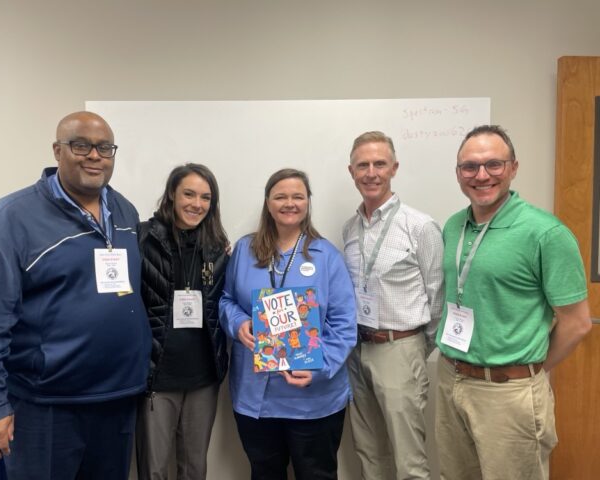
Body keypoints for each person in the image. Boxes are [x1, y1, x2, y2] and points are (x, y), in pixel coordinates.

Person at [0, 111, 151, 480]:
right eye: (81, 145)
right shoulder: (13, 217)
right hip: (45, 407)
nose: (94, 156)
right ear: (57, 151)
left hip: (116, 399)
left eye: (105, 147)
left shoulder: (124, 211)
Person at [436, 125, 591, 480]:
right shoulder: (454, 226)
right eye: (470, 167)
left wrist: (528, 371)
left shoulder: (545, 233)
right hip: (452, 379)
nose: (481, 175)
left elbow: (577, 322)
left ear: (514, 168)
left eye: (494, 164)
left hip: (509, 393)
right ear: (459, 173)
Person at [219, 168, 356, 480]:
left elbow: (344, 325)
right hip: (256, 398)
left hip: (313, 398)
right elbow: (226, 300)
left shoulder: (327, 257)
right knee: (264, 473)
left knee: (316, 474)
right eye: (280, 196)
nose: (289, 203)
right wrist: (239, 323)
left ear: (308, 202)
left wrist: (320, 367)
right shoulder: (244, 250)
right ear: (268, 203)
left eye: (298, 196)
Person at [342, 131, 444, 479]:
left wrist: (414, 347)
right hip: (356, 351)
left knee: (408, 460)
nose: (371, 172)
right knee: (369, 452)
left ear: (394, 168)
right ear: (351, 171)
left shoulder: (420, 227)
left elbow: (438, 298)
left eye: (379, 164)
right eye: (363, 165)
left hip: (400, 349)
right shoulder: (349, 229)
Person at [136, 163, 230, 480]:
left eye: (205, 197)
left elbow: (224, 303)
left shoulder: (217, 247)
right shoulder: (143, 239)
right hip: (156, 376)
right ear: (172, 195)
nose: (197, 204)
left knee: (195, 467)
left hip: (203, 377)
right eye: (189, 194)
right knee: (155, 469)